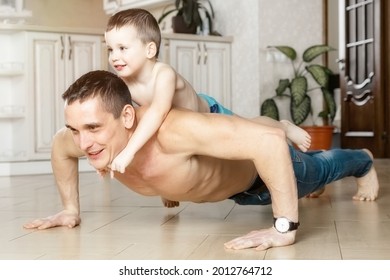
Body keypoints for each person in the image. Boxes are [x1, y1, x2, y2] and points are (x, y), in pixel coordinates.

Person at [24, 71, 379, 251]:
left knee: (324, 167)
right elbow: (60, 149)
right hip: (231, 183)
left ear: (128, 117)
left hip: (262, 178)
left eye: (93, 128)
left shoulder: (172, 132)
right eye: (75, 129)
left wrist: (282, 229)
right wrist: (70, 208)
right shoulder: (80, 140)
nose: (83, 142)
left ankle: (363, 160)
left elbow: (269, 143)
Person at [104, 8, 311, 176]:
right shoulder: (124, 84)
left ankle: (283, 127)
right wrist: (107, 156)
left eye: (122, 48)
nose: (114, 57)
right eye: (110, 50)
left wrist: (128, 153)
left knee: (253, 129)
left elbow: (158, 112)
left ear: (150, 50)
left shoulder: (163, 73)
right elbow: (121, 120)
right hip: (183, 133)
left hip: (210, 114)